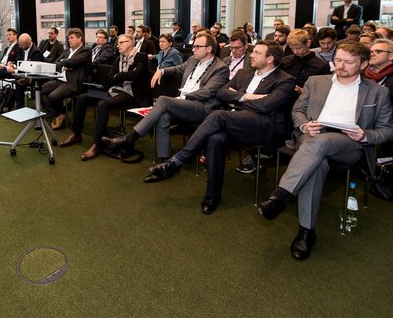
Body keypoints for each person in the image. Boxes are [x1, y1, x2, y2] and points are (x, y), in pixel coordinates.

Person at [257, 42, 393, 261]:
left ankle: (279, 197)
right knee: (317, 161)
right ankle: (306, 232)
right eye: (337, 60)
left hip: (349, 143)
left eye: (348, 62)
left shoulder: (378, 92)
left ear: (363, 64)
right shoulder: (316, 81)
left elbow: (387, 130)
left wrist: (365, 135)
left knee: (320, 144)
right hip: (311, 136)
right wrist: (304, 126)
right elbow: (298, 109)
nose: (341, 65)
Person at [140, 41, 296, 216]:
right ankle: (212, 196)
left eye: (257, 53)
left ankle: (177, 161)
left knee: (217, 115)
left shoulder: (285, 80)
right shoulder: (244, 73)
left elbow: (266, 106)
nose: (251, 55)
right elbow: (222, 93)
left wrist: (237, 99)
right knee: (215, 139)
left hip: (263, 128)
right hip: (235, 122)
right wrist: (248, 97)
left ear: (270, 58)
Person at [103, 34, 229, 161]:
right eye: (194, 46)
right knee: (163, 116)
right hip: (183, 105)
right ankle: (165, 159)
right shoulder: (192, 60)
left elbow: (207, 93)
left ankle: (130, 138)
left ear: (208, 49)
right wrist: (161, 71)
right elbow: (177, 69)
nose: (193, 49)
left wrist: (182, 98)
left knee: (163, 100)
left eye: (197, 46)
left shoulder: (221, 68)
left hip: (201, 107)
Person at [60, 34, 150, 161]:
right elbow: (110, 78)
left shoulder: (141, 57)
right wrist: (122, 77)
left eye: (121, 42)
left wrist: (119, 76)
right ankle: (76, 134)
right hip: (114, 90)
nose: (118, 45)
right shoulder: (118, 59)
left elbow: (136, 75)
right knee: (83, 98)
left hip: (131, 94)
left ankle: (97, 144)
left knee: (103, 104)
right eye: (118, 43)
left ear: (130, 43)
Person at [40, 28, 92, 129]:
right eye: (68, 38)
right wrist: (65, 65)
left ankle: (60, 114)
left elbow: (72, 62)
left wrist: (65, 63)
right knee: (40, 90)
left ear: (80, 38)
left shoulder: (86, 51)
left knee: (53, 96)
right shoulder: (67, 50)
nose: (69, 40)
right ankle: (57, 115)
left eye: (72, 38)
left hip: (74, 82)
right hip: (60, 79)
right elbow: (56, 62)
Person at [279, 29, 330, 96]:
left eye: (299, 48)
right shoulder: (284, 61)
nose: (295, 52)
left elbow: (322, 91)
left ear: (308, 43)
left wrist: (303, 91)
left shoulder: (321, 66)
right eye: (292, 48)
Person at [10, 33, 46, 108]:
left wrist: (15, 71)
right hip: (22, 73)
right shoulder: (21, 49)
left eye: (22, 45)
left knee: (18, 82)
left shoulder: (36, 52)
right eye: (19, 44)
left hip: (33, 77)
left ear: (29, 44)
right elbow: (18, 61)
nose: (20, 46)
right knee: (8, 73)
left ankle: (20, 107)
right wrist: (13, 65)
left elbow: (32, 70)